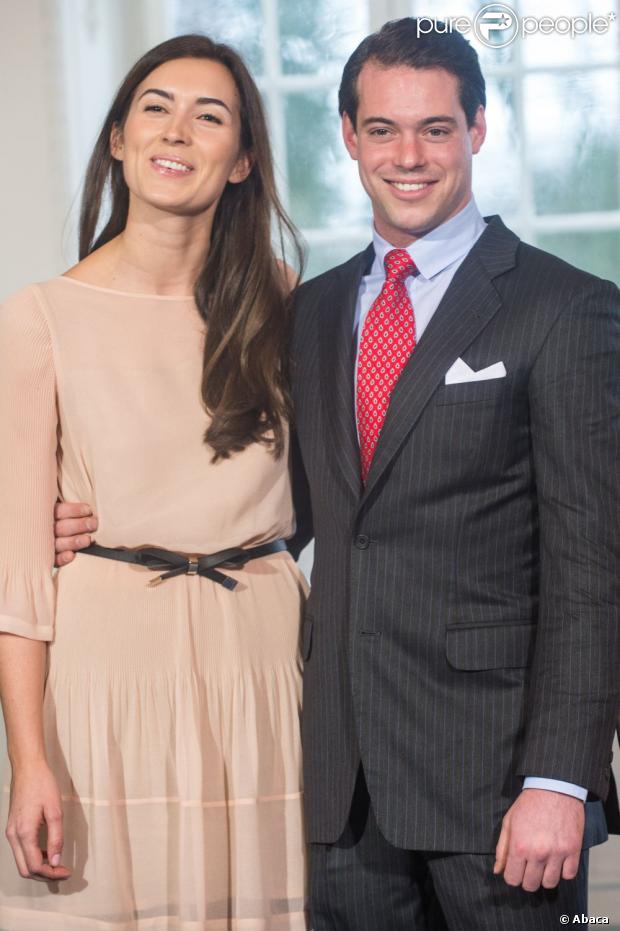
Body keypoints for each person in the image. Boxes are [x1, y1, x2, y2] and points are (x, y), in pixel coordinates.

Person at [54, 17, 620, 931]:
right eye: (384, 129)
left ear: (478, 129)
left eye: (436, 128)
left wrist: (560, 777)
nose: (410, 155)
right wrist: (84, 522)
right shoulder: (309, 310)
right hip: (337, 791)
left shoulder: (566, 308)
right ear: (349, 138)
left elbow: (595, 569)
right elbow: (282, 495)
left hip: (500, 791)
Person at [0, 34, 309, 929]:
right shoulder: (40, 320)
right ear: (119, 142)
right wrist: (30, 761)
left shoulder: (287, 304)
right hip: (106, 677)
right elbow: (17, 583)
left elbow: (344, 494)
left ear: (243, 158)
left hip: (259, 668)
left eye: (210, 115)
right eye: (155, 107)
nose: (178, 130)